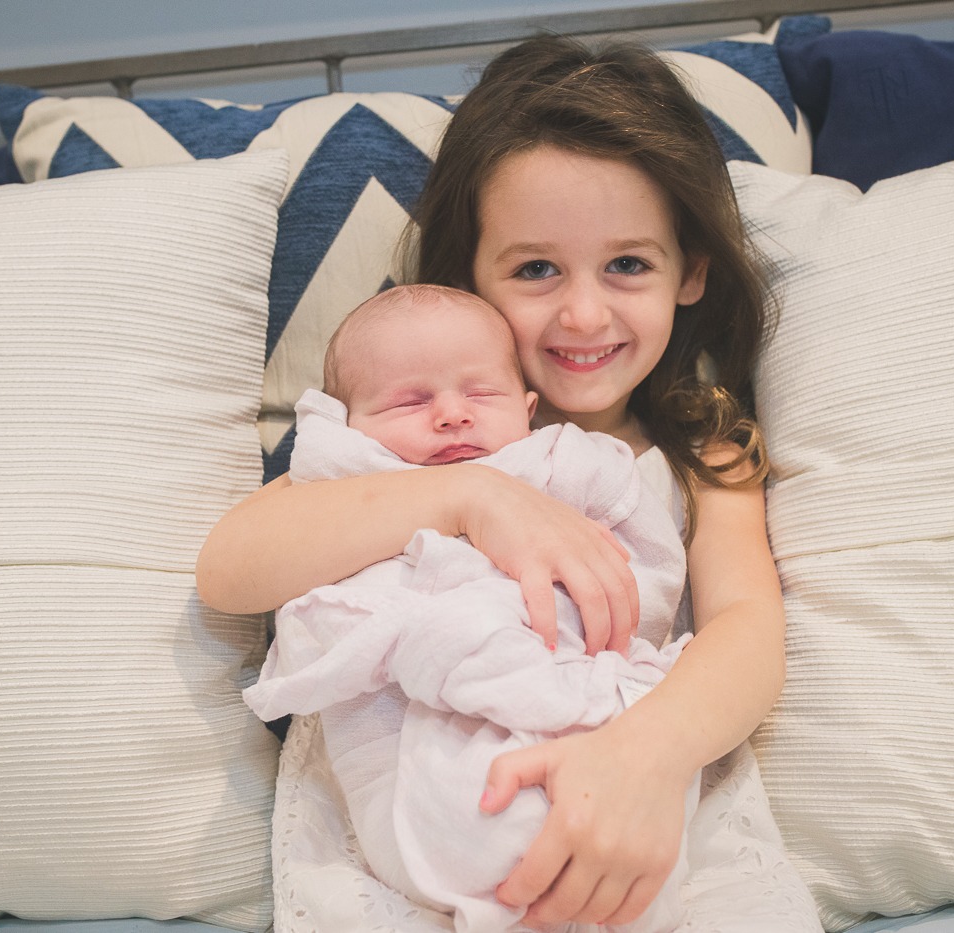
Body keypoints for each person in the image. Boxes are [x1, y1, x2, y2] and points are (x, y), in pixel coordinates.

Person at [198, 34, 818, 932]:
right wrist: (471, 498)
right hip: (411, 809)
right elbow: (231, 566)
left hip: (623, 782)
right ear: (469, 274)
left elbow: (747, 630)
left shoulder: (700, 450)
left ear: (691, 272)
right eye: (535, 269)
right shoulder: (412, 430)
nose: (583, 313)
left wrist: (644, 760)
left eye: (628, 264)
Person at [247, 282, 695, 932]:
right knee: (485, 818)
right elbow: (323, 620)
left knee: (621, 831)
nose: (453, 415)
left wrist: (607, 655)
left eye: (481, 394)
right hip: (417, 741)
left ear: (529, 408)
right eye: (411, 399)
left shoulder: (559, 463)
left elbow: (648, 568)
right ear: (349, 425)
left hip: (596, 717)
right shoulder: (353, 492)